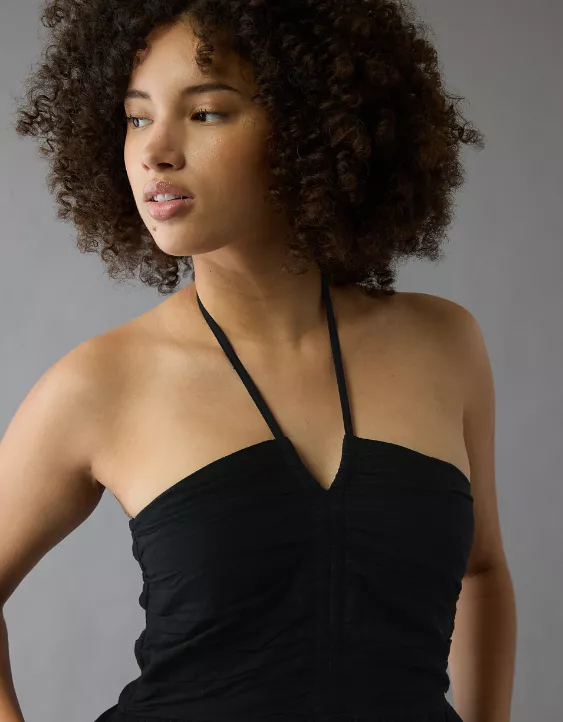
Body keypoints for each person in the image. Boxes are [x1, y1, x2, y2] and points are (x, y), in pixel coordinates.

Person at [1, 2, 516, 721]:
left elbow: (482, 570)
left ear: (310, 126)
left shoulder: (444, 342)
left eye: (205, 113)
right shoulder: (101, 382)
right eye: (137, 117)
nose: (155, 151)